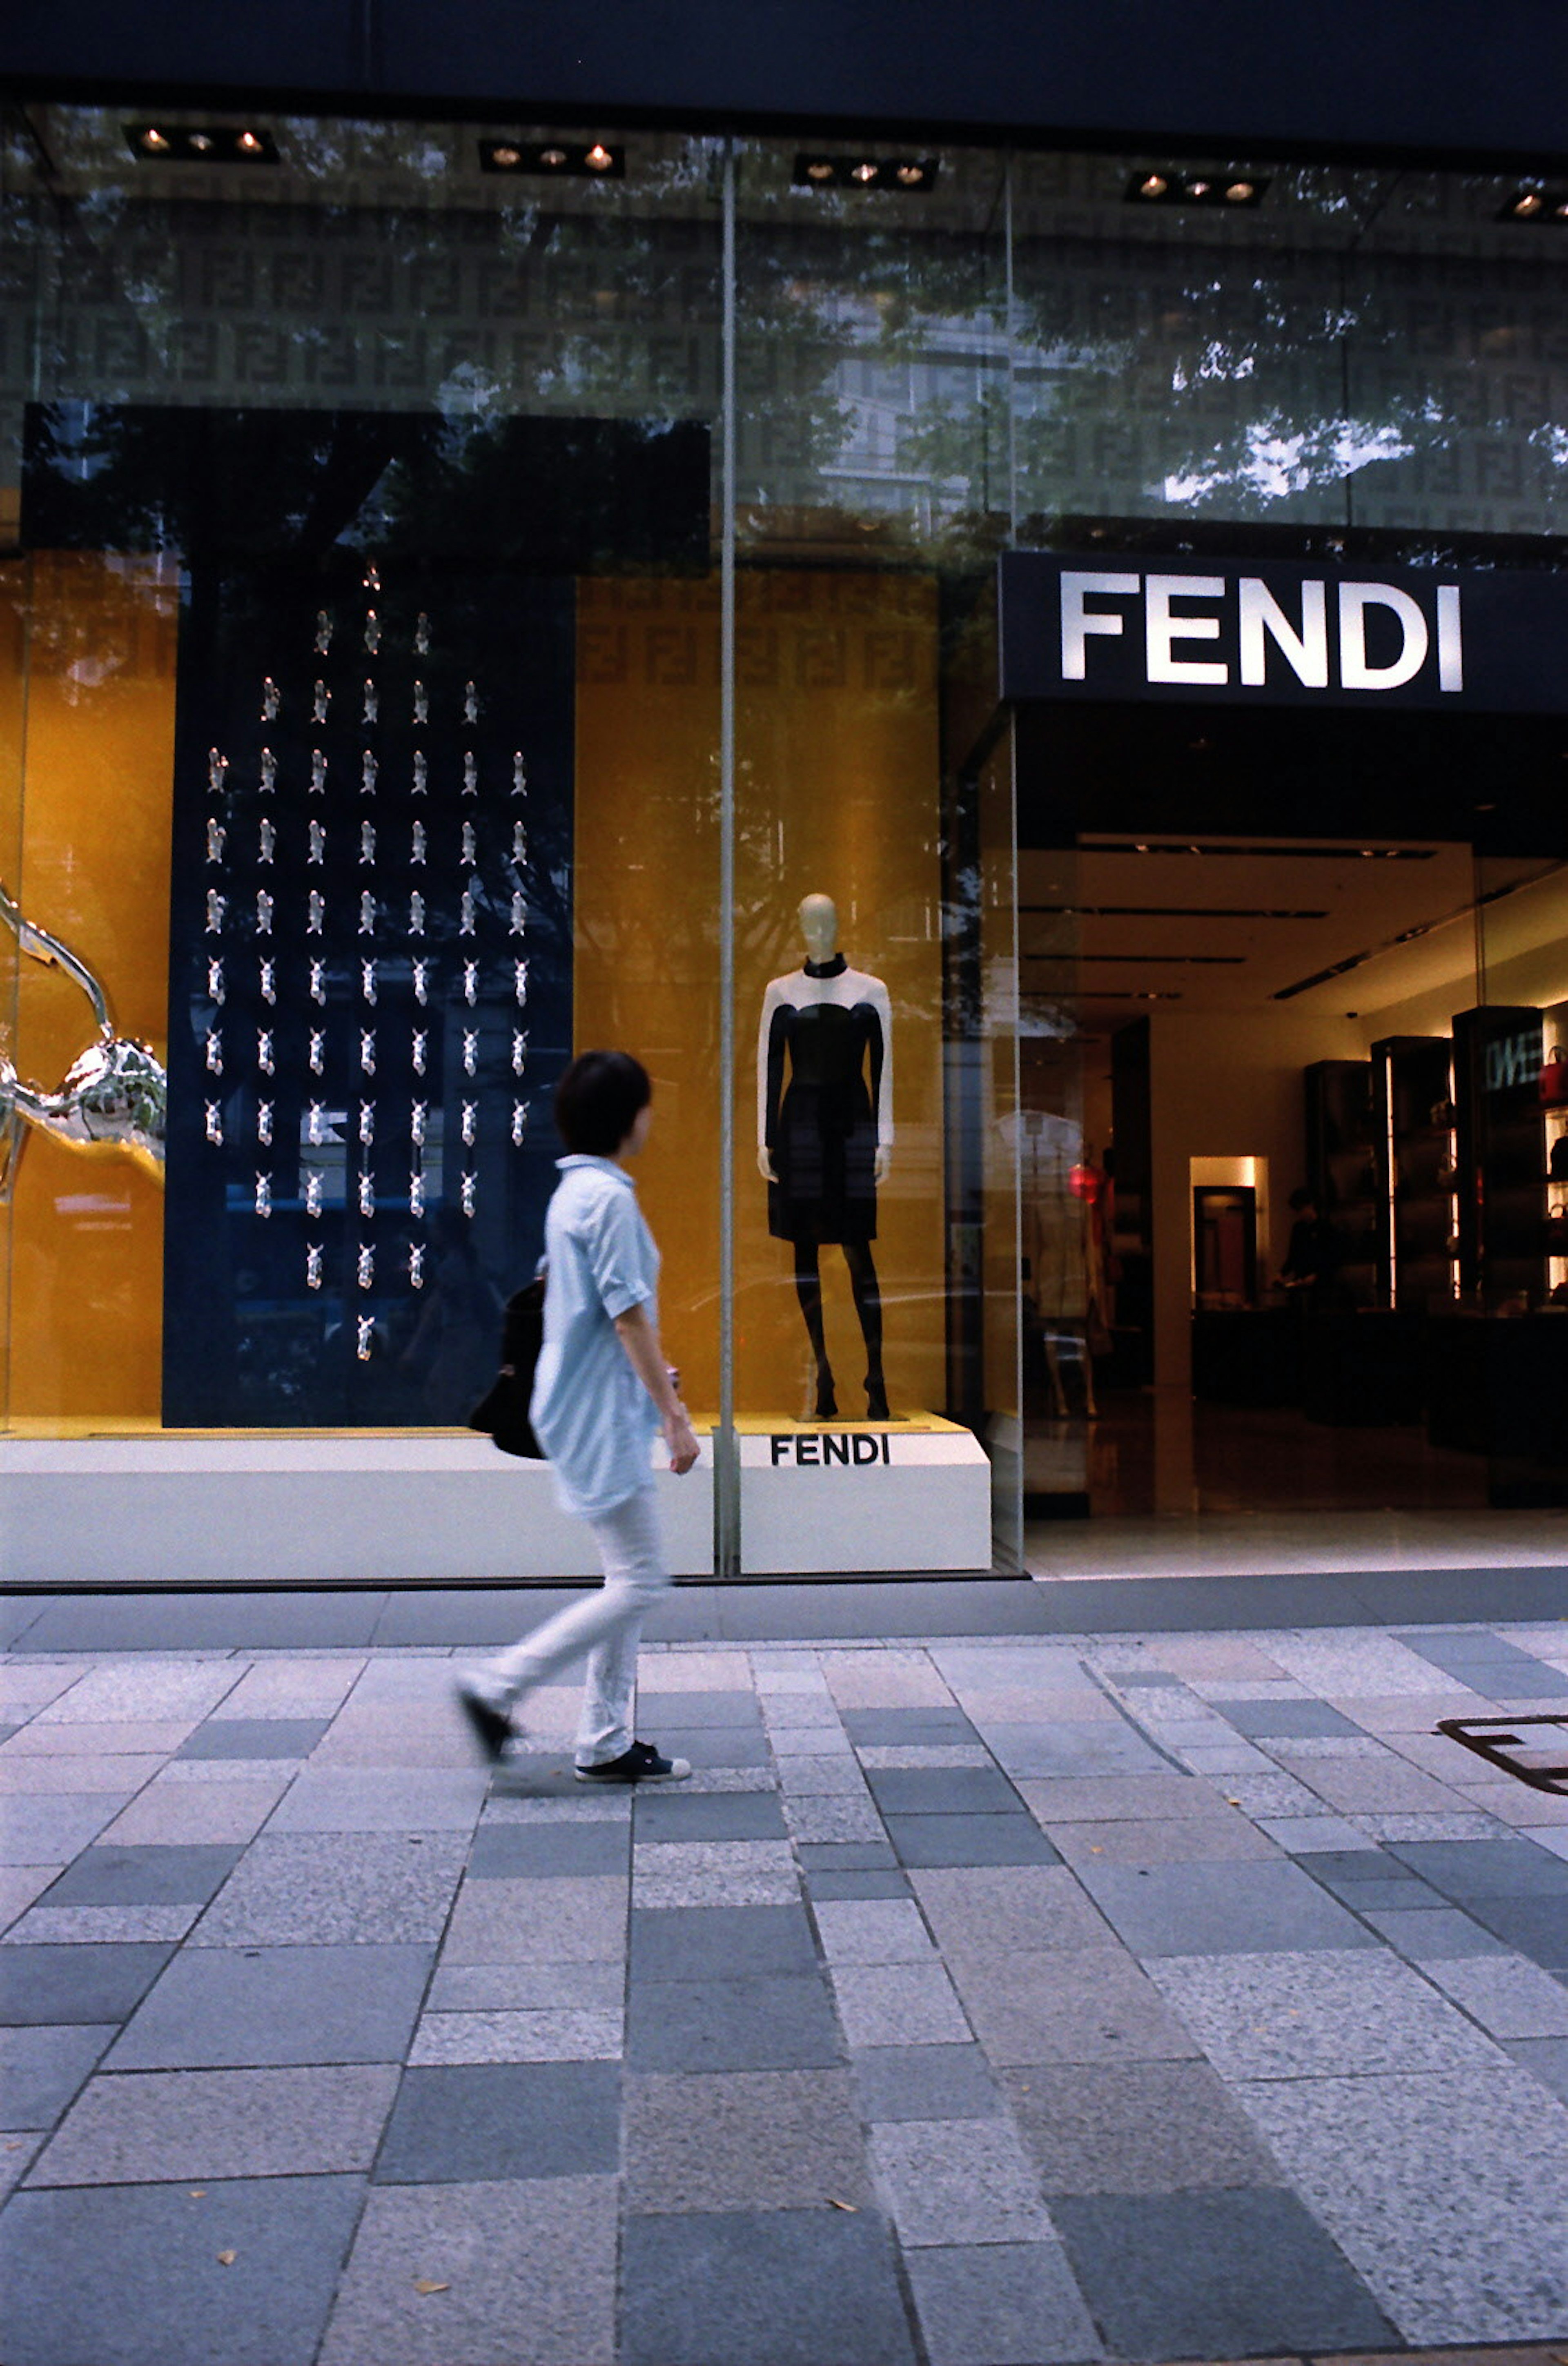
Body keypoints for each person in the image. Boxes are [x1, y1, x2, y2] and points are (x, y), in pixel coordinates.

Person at [454, 1049, 700, 1783]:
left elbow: (593, 1312)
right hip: (597, 1414)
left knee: (626, 1576)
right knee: (643, 1579)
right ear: (627, 1118)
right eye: (646, 1105)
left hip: (585, 1402)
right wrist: (675, 1414)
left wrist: (652, 1381)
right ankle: (495, 1688)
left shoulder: (573, 1196)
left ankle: (604, 1740)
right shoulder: (610, 1201)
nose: (651, 1117)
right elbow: (628, 1317)